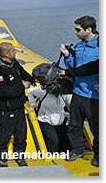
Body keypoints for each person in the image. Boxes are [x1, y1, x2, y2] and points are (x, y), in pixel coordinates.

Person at [59, 15, 99, 167]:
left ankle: (99, 155)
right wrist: (67, 55)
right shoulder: (79, 46)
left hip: (94, 95)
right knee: (74, 125)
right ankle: (77, 150)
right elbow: (73, 66)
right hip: (78, 92)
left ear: (89, 29)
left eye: (78, 30)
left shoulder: (100, 46)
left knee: (97, 128)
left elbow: (89, 69)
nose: (75, 32)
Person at [0, 42, 35, 167]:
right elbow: (4, 92)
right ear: (6, 54)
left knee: (21, 134)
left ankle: (20, 157)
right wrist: (22, 86)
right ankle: (2, 159)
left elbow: (24, 74)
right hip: (6, 109)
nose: (15, 52)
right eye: (13, 51)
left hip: (19, 107)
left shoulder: (14, 64)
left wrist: (33, 79)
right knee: (4, 136)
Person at [27, 87, 71, 153]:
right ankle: (52, 156)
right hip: (45, 120)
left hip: (60, 121)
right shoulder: (43, 91)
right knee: (53, 141)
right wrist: (32, 104)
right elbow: (29, 91)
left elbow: (70, 104)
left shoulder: (64, 94)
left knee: (62, 141)